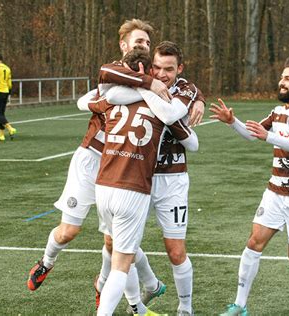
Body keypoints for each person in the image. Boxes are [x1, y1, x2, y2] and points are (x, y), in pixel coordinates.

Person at [26, 20, 169, 312]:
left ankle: (107, 289)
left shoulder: (151, 73)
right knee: (69, 231)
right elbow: (100, 84)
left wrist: (199, 99)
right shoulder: (113, 72)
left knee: (113, 242)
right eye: (137, 40)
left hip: (119, 168)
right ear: (123, 44)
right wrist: (147, 86)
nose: (142, 45)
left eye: (146, 42)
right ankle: (46, 262)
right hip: (91, 159)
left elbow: (179, 83)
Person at [209, 57, 289, 315]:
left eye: (288, 78)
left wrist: (268, 136)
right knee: (254, 242)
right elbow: (254, 133)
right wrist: (232, 122)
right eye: (282, 77)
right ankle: (240, 305)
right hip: (275, 192)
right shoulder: (277, 111)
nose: (281, 82)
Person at [87, 48, 190, 316]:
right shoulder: (155, 102)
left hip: (105, 181)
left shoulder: (114, 96)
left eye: (169, 69)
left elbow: (99, 96)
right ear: (147, 71)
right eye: (157, 69)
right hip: (133, 186)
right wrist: (149, 88)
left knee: (124, 252)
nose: (162, 74)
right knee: (122, 261)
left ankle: (143, 304)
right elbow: (191, 139)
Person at [0, 52, 16, 141]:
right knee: (2, 114)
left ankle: (10, 128)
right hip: (6, 92)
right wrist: (9, 93)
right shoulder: (7, 68)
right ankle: (1, 135)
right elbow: (9, 82)